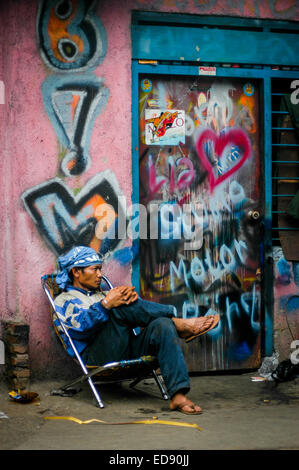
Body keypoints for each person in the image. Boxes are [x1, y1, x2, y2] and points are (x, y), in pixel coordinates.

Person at [54, 246, 219, 415]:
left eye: (100, 269)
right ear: (76, 272)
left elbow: (132, 319)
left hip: (124, 348)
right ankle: (180, 323)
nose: (99, 275)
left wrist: (132, 299)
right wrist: (106, 305)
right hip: (97, 356)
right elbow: (79, 329)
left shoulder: (104, 294)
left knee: (162, 324)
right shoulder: (64, 300)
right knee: (117, 306)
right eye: (94, 269)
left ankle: (178, 396)